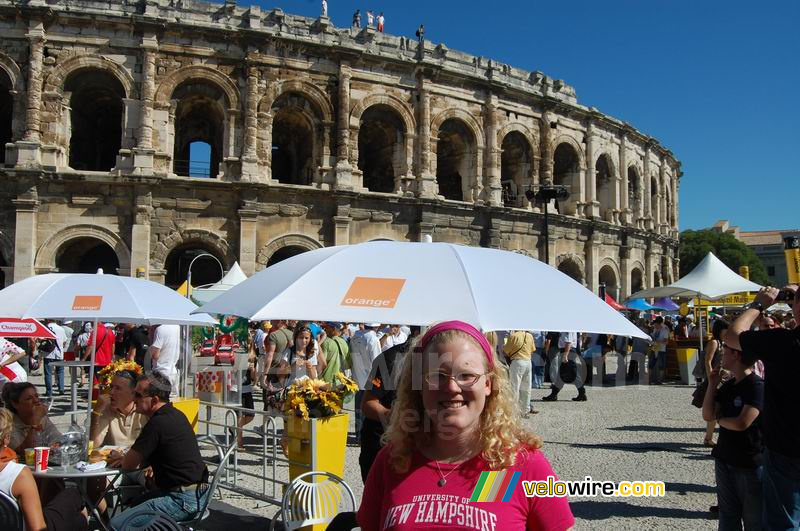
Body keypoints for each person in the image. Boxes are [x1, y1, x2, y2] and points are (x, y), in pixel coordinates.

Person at [357, 320, 575, 529]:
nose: (452, 387)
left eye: (467, 375)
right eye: (437, 375)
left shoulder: (521, 464)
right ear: (419, 385)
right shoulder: (392, 461)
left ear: (488, 384)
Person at [725, 284, 800, 530]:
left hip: (787, 447)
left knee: (784, 522)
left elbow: (733, 335)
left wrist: (759, 305)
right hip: (785, 446)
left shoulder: (783, 342)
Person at [108, 372, 209, 528]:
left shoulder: (157, 424)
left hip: (181, 499)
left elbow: (128, 465)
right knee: (135, 504)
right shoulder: (176, 414)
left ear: (154, 400)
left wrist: (123, 457)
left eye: (138, 395)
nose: (134, 399)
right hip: (197, 494)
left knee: (116, 524)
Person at [701, 342, 764, 530]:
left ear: (736, 355)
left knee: (754, 519)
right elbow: (708, 414)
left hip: (749, 462)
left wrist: (720, 419)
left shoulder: (756, 386)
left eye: (725, 352)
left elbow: (741, 423)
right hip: (724, 457)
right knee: (728, 516)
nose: (721, 356)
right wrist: (712, 384)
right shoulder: (729, 386)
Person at [0, 408, 88, 531]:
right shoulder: (18, 475)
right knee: (73, 498)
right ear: (6, 440)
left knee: (76, 516)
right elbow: (38, 528)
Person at [359, 326, 420, 482]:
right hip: (383, 444)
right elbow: (368, 403)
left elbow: (486, 502)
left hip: (415, 448)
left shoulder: (486, 449)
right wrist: (398, 417)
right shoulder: (391, 358)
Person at [90, 370, 147, 448]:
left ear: (134, 392)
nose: (111, 392)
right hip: (112, 458)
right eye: (111, 387)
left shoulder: (143, 410)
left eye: (118, 388)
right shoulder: (105, 409)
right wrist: (96, 412)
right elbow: (94, 445)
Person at [2, 382, 62, 453]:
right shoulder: (7, 423)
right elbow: (25, 453)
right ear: (15, 404)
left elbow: (58, 439)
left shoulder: (42, 418)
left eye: (36, 396)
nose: (36, 401)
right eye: (29, 398)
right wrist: (35, 423)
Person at [699, 320, 728, 448]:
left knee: (717, 409)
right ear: (720, 330)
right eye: (726, 329)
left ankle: (709, 438)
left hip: (723, 379)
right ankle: (708, 438)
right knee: (714, 409)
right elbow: (708, 361)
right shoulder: (714, 342)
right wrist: (712, 379)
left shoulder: (724, 343)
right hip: (715, 380)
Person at [350, 323, 382, 436]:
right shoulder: (373, 339)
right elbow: (377, 361)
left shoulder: (355, 336)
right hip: (370, 378)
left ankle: (358, 434)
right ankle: (364, 436)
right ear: (376, 327)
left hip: (357, 377)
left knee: (358, 408)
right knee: (368, 409)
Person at [542, 331, 587, 402]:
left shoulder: (568, 328)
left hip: (568, 351)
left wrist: (565, 355)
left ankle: (581, 393)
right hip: (568, 351)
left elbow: (568, 342)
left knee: (571, 374)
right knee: (565, 374)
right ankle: (581, 393)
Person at [503, 330, 536, 417]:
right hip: (528, 361)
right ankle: (525, 410)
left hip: (517, 361)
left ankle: (514, 410)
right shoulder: (530, 336)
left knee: (515, 387)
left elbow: (506, 350)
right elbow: (533, 350)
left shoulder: (514, 336)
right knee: (527, 388)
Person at [276, 323, 318, 388]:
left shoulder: (312, 353)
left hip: (307, 391)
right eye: (301, 337)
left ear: (310, 339)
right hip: (291, 390)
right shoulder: (289, 351)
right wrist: (293, 366)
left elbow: (314, 378)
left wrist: (310, 368)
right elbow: (279, 373)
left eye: (306, 338)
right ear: (296, 338)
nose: (303, 340)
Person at [147, 324, 180, 395]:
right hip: (172, 371)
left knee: (160, 402)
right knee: (172, 401)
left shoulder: (160, 329)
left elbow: (155, 355)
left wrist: (151, 335)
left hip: (160, 373)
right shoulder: (176, 326)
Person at [41, 319, 67, 398]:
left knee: (48, 373)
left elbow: (41, 339)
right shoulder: (61, 329)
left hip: (48, 354)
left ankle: (49, 392)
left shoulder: (45, 328)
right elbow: (64, 341)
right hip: (59, 353)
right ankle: (61, 389)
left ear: (48, 320)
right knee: (60, 371)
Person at [649, 316, 670, 384]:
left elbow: (666, 342)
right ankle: (649, 380)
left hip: (661, 350)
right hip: (654, 348)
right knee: (651, 364)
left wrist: (658, 342)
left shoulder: (665, 330)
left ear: (659, 323)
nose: (654, 325)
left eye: (655, 324)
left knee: (661, 366)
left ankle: (660, 380)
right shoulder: (655, 329)